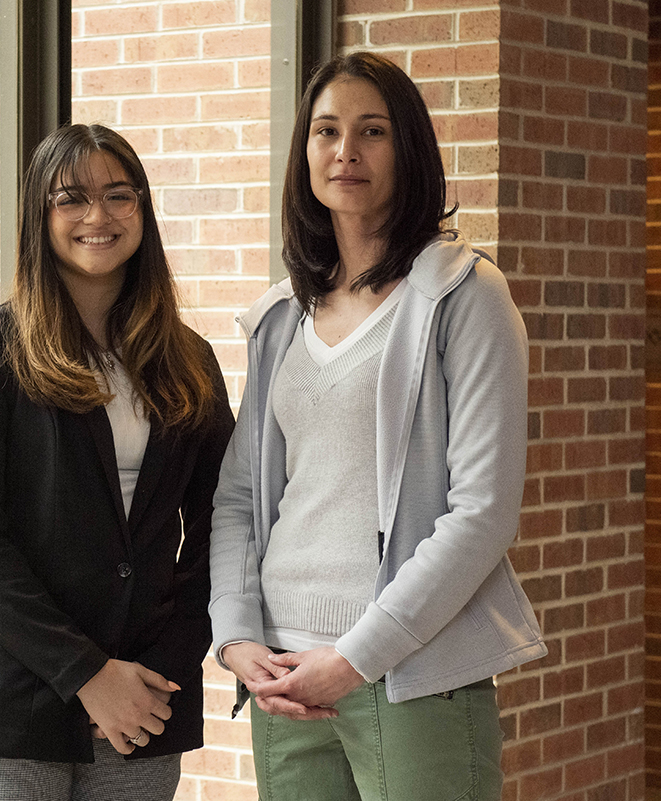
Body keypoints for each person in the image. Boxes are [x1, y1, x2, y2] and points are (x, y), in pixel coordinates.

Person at [208, 51, 547, 800]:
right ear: (304, 154)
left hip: (409, 671)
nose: (345, 151)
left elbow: (483, 511)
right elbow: (238, 497)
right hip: (283, 678)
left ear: (410, 150)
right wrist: (235, 636)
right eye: (326, 130)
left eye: (372, 131)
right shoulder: (279, 318)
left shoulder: (465, 296)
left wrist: (358, 654)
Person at [0, 123, 234, 801]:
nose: (98, 216)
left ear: (143, 211)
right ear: (41, 216)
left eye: (118, 195)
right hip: (11, 704)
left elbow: (226, 523)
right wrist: (87, 673)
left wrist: (165, 666)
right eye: (71, 199)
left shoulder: (190, 360)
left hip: (145, 702)